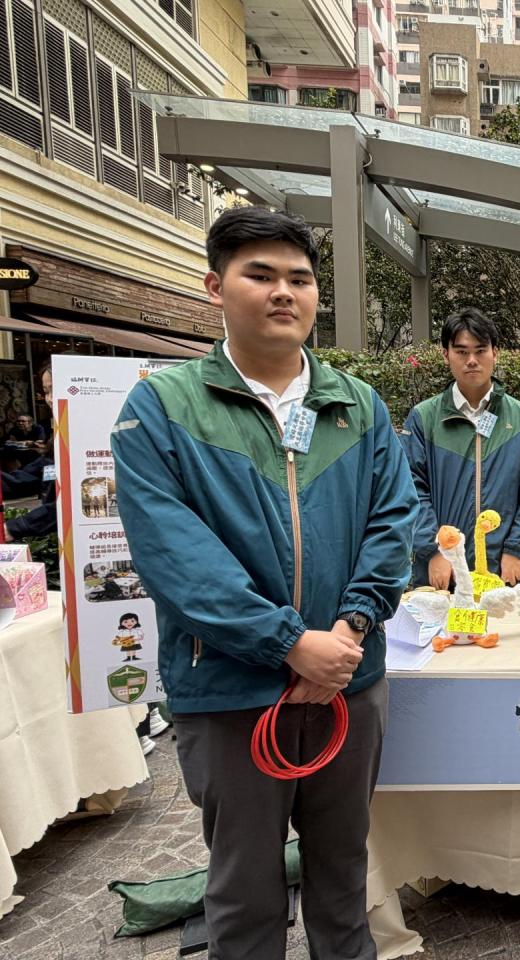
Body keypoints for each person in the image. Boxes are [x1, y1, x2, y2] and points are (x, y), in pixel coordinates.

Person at [111, 206, 418, 960]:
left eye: (300, 278)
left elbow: (393, 523)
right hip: (230, 689)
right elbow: (176, 556)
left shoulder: (358, 406)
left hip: (348, 681)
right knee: (244, 887)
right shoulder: (164, 407)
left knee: (344, 872)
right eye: (261, 275)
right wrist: (286, 644)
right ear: (215, 286)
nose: (285, 292)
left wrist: (346, 632)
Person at [404, 307, 520, 589]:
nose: (471, 360)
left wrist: (517, 549)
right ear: (446, 355)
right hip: (443, 571)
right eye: (461, 352)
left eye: (480, 351)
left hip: (504, 570)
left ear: (495, 353)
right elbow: (411, 489)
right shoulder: (424, 418)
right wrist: (434, 550)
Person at [4, 366, 56, 540]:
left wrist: (13, 528)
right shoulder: (58, 435)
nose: (49, 399)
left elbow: (71, 504)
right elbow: (27, 478)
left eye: (54, 390)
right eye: (46, 392)